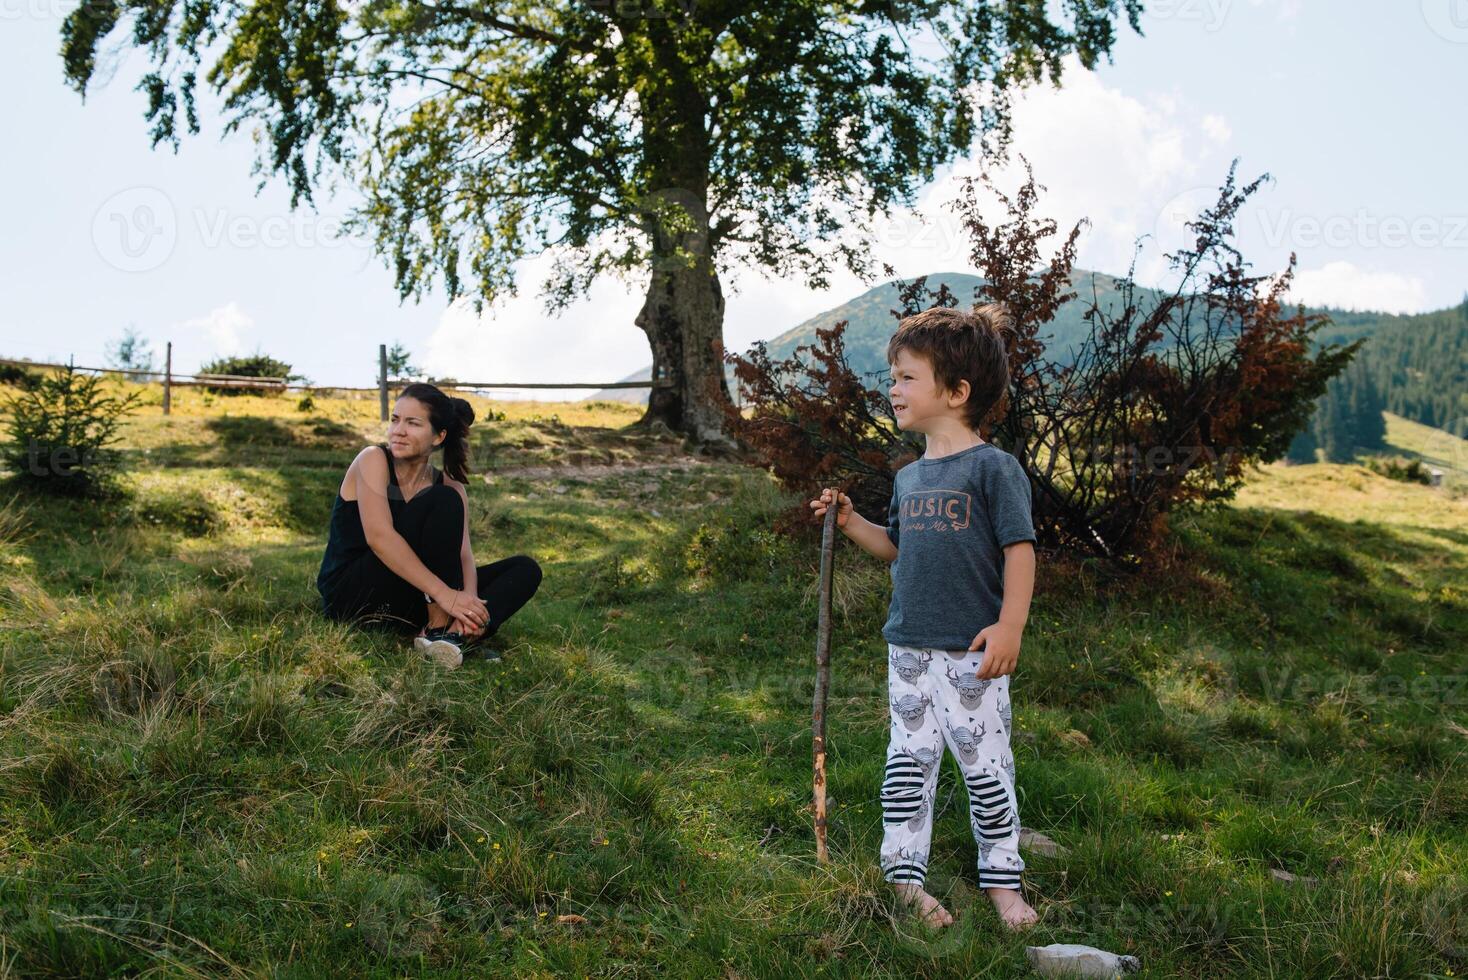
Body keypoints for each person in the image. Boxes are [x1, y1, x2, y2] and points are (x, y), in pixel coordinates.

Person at [810, 304, 1040, 932]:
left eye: (908, 377)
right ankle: (903, 876)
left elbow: (1020, 551)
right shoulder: (909, 477)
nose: (893, 388)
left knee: (986, 768)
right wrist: (852, 520)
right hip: (908, 649)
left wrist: (1010, 627)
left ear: (957, 392)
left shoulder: (994, 469)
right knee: (907, 764)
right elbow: (898, 546)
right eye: (893, 376)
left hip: (972, 653)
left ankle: (1003, 880)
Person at [316, 382, 542, 668]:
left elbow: (463, 557)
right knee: (441, 500)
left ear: (439, 436)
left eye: (413, 423)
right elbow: (380, 537)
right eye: (395, 420)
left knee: (524, 569)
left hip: (409, 597)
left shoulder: (450, 486)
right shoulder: (373, 460)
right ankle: (440, 630)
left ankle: (453, 636)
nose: (398, 430)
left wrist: (467, 603)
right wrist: (446, 595)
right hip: (353, 596)